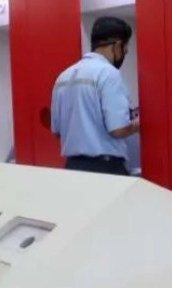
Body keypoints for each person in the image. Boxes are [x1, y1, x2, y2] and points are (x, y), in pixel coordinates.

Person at [50, 16, 139, 176]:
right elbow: (118, 129)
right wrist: (139, 124)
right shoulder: (109, 74)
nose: (125, 53)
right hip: (106, 169)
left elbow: (57, 131)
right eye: (125, 48)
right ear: (117, 45)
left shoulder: (63, 77)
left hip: (72, 168)